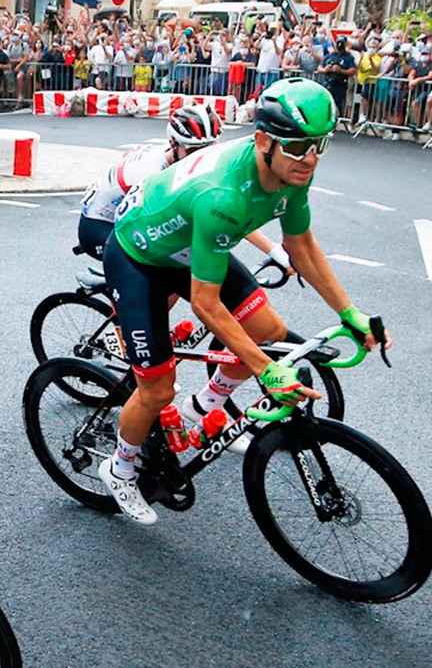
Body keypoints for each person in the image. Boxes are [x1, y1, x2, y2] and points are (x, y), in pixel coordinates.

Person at [97, 79, 389, 525]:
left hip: (187, 245)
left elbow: (302, 244)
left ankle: (203, 409)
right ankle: (119, 468)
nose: (309, 158)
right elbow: (206, 306)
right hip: (139, 257)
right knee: (157, 387)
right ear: (263, 141)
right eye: (296, 147)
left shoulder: (291, 173)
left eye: (318, 144)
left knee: (267, 334)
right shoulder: (223, 197)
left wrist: (351, 314)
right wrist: (266, 371)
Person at [78, 104, 290, 273]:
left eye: (208, 150)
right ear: (173, 144)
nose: (200, 157)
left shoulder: (181, 163)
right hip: (98, 224)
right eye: (193, 151)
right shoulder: (152, 172)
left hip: (123, 214)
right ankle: (124, 322)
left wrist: (274, 249)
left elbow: (229, 213)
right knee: (163, 268)